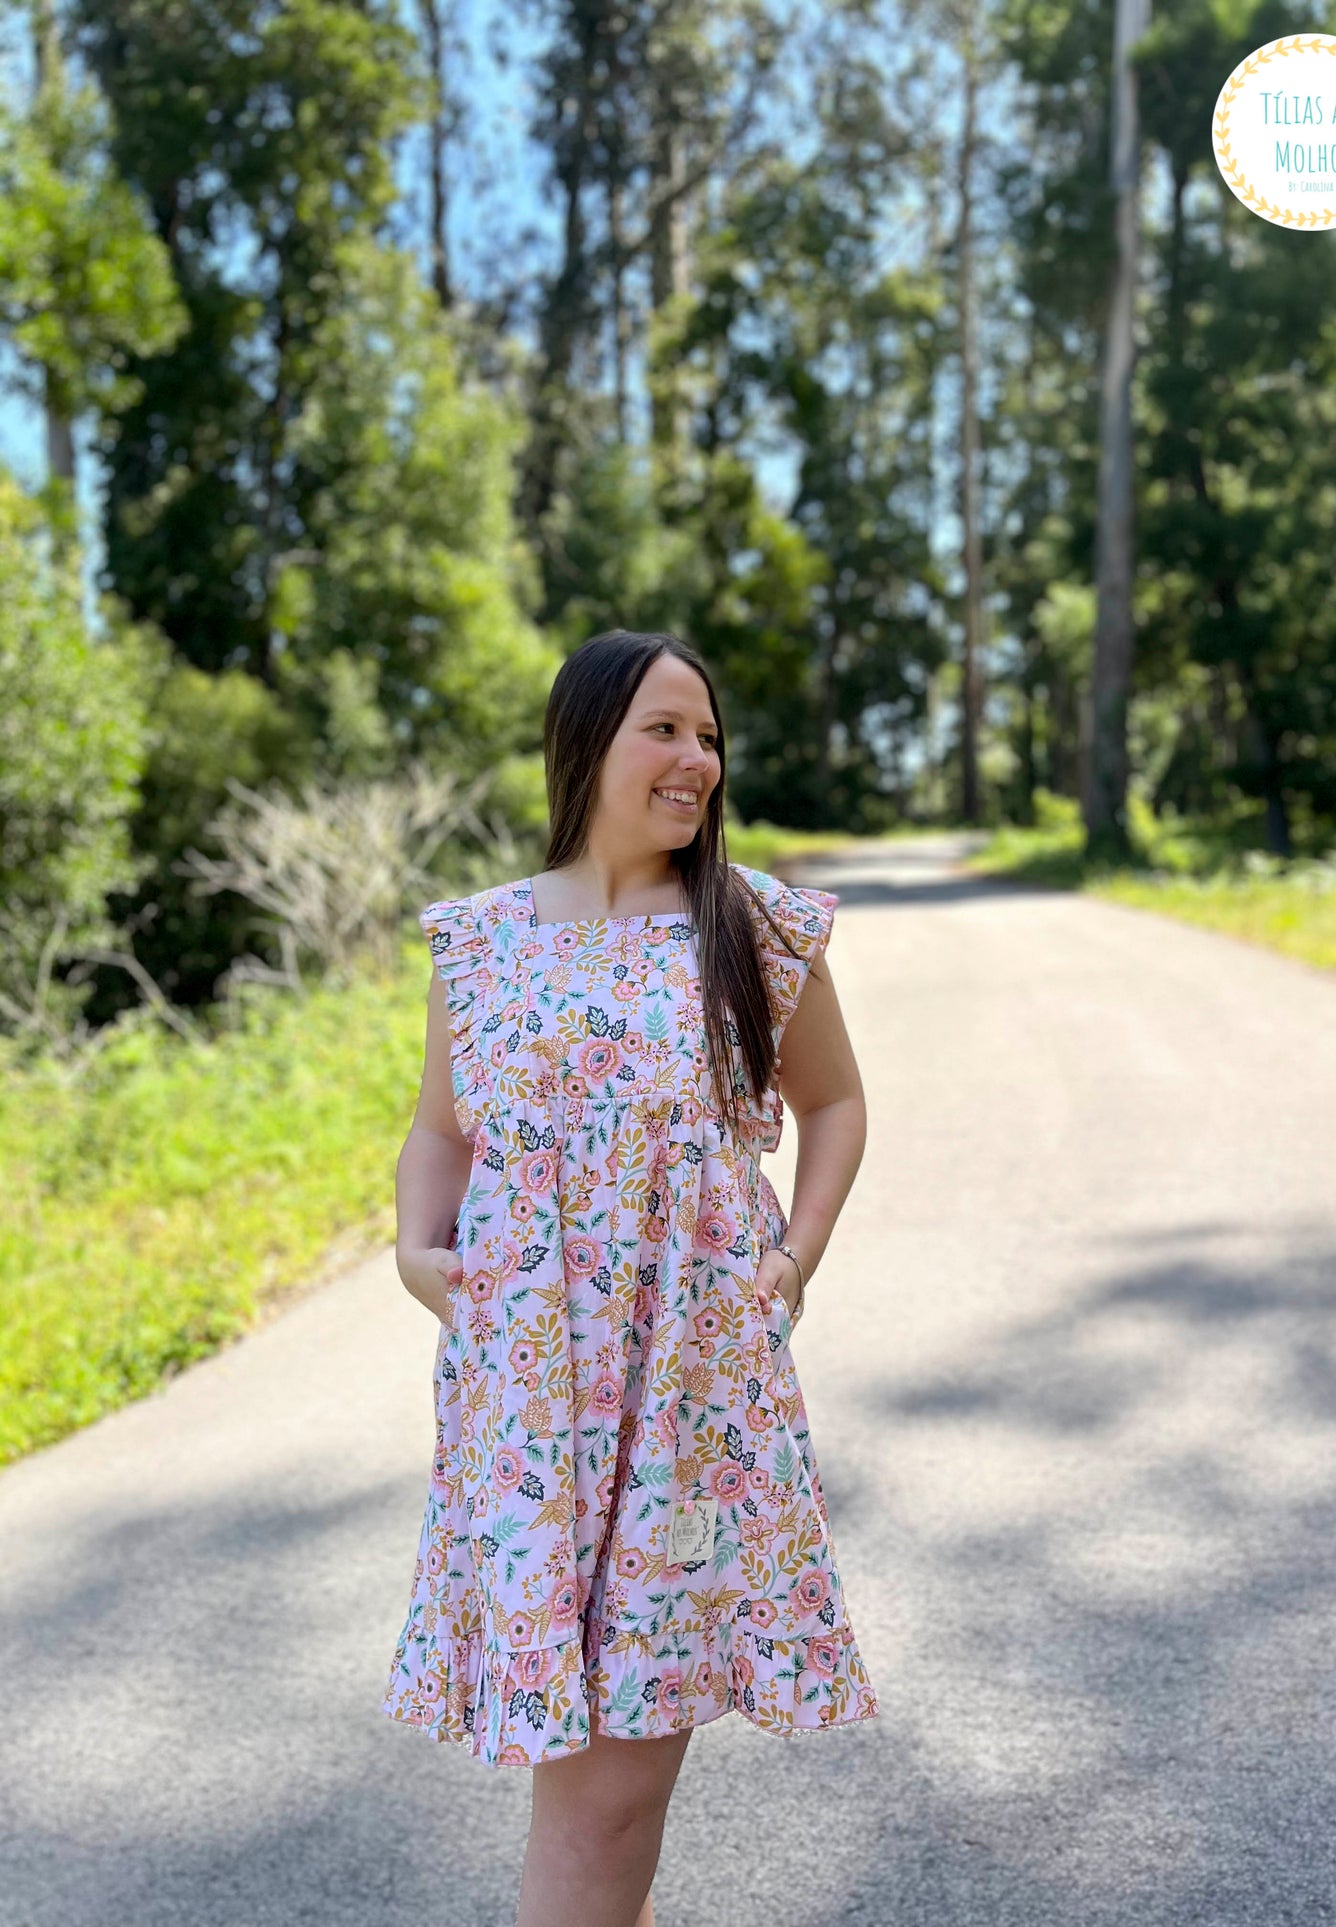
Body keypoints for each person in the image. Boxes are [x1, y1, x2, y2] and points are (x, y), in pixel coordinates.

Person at [383, 628, 880, 1926]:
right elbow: (442, 1128)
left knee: (605, 1795)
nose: (696, 759)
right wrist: (418, 1249)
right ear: (585, 738)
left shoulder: (749, 923)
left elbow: (833, 1106)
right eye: (666, 728)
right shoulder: (481, 943)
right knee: (577, 1761)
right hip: (527, 1404)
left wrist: (788, 1264)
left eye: (708, 736)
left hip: (687, 1400)